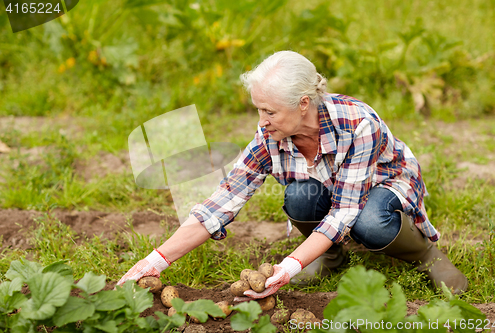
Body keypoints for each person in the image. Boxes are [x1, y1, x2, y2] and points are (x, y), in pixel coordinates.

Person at [117, 51, 468, 297]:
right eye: (258, 109)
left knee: (369, 221)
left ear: (304, 103)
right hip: (333, 189)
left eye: (269, 111)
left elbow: (345, 210)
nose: (261, 121)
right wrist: (155, 260)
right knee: (298, 197)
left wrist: (288, 266)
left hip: (383, 182)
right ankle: (331, 258)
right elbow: (221, 202)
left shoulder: (359, 124)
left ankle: (427, 256)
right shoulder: (268, 136)